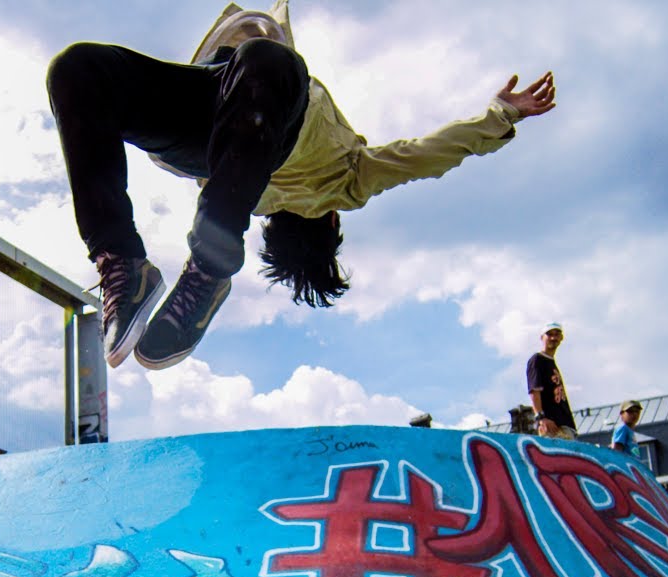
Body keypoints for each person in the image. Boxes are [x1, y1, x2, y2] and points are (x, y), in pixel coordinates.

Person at [46, 1, 558, 370]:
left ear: (332, 222)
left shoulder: (349, 184)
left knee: (80, 70)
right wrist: (499, 118)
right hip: (227, 112)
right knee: (92, 69)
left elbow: (425, 155)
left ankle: (175, 265)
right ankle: (133, 269)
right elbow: (431, 155)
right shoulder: (255, 190)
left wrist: (500, 115)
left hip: (229, 119)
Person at [526, 322, 576, 439]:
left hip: (564, 423)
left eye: (556, 334)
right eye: (549, 335)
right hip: (551, 425)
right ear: (542, 337)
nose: (553, 338)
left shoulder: (551, 362)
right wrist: (541, 418)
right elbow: (534, 390)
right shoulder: (537, 359)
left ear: (561, 338)